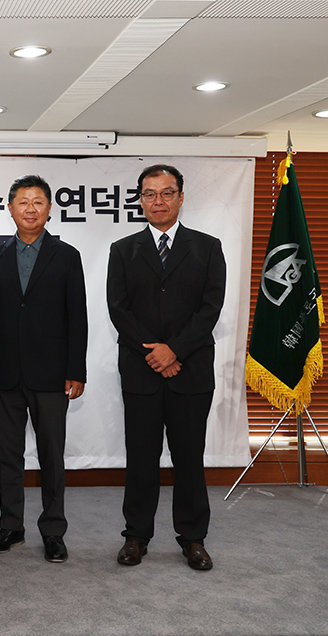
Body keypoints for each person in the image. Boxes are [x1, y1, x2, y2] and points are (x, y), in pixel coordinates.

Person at [106, 164, 226, 571]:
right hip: (141, 372)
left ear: (180, 197)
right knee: (141, 457)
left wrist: (174, 351)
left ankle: (193, 539)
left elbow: (210, 309)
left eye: (166, 193)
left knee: (189, 458)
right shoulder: (122, 250)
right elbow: (118, 310)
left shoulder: (208, 247)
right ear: (140, 199)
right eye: (149, 194)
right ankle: (136, 537)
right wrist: (154, 354)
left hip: (190, 372)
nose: (158, 201)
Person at [0, 174, 87, 563]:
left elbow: (78, 317)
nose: (30, 208)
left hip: (52, 373)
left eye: (38, 201)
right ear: (10, 209)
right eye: (23, 202)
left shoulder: (67, 255)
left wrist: (76, 370)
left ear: (49, 209)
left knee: (51, 455)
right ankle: (12, 526)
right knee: (8, 455)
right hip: (5, 373)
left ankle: (53, 530)